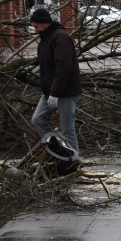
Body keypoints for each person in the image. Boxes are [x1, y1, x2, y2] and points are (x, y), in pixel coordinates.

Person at [29, 8, 81, 156]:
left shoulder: (60, 38)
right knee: (38, 120)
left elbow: (64, 67)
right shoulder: (46, 38)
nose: (35, 29)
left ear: (45, 23)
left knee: (67, 128)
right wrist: (50, 92)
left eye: (37, 26)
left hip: (65, 91)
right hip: (50, 91)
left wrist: (56, 93)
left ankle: (74, 161)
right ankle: (59, 149)